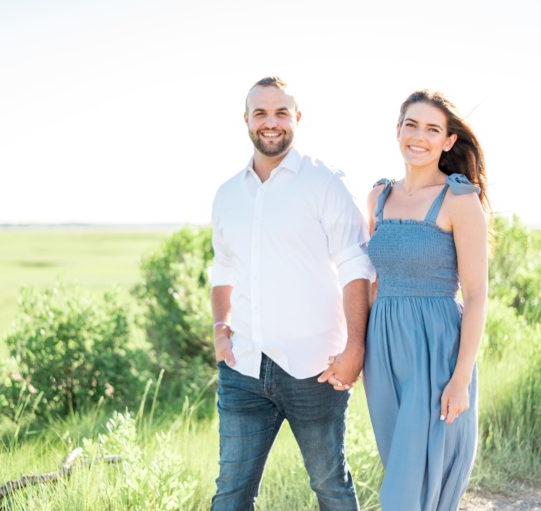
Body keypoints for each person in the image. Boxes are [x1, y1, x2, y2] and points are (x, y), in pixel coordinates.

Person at [209, 76, 375, 511]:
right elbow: (222, 266)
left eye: (281, 112)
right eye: (260, 113)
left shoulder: (324, 183)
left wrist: (355, 346)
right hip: (244, 369)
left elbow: (355, 264)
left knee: (330, 486)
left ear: (297, 118)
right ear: (246, 120)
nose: (271, 122)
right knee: (231, 493)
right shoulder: (227, 195)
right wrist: (219, 327)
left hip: (315, 370)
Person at [362, 90, 489, 510]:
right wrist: (357, 349)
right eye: (411, 125)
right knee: (399, 468)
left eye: (432, 129)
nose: (419, 136)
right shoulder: (377, 197)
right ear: (397, 131)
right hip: (383, 350)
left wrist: (460, 377)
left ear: (448, 141)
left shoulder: (459, 199)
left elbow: (475, 295)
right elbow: (372, 282)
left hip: (436, 350)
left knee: (408, 490)